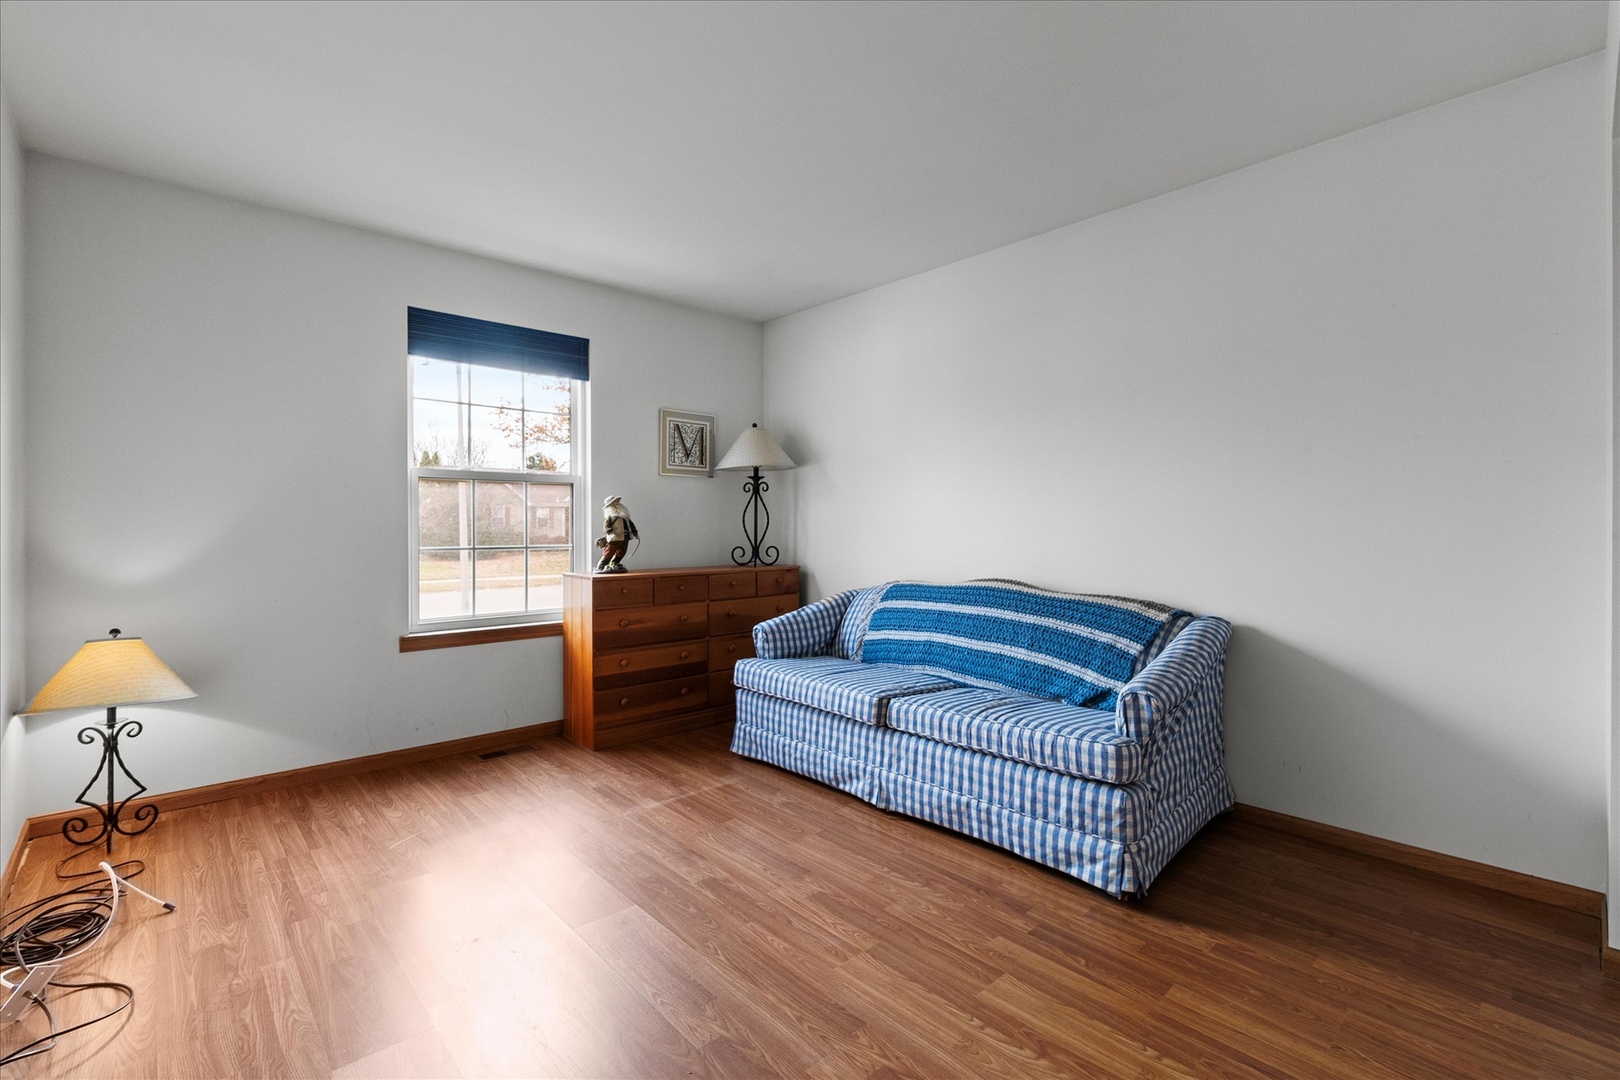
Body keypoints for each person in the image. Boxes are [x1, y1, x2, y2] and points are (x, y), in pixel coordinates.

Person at [593, 495, 638, 573]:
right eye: (614, 504)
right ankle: (601, 566)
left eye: (617, 503)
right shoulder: (609, 517)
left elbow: (630, 525)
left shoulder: (624, 517)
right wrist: (610, 532)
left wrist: (635, 532)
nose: (617, 505)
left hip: (625, 538)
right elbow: (606, 527)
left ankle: (614, 564)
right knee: (609, 552)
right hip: (614, 538)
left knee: (622, 552)